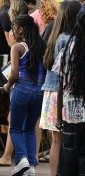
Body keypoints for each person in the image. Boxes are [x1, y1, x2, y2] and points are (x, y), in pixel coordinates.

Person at [40, 1, 81, 175]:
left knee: (56, 141)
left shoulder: (56, 35)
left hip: (52, 92)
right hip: (62, 94)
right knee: (64, 141)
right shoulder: (69, 39)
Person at [4, 14, 46, 175]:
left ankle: (22, 159)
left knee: (15, 128)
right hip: (39, 90)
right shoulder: (42, 45)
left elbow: (14, 73)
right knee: (29, 129)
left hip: (22, 88)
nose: (13, 32)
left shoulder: (17, 47)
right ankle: (31, 167)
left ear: (21, 29)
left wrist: (8, 86)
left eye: (14, 29)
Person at [53, 7, 85, 176]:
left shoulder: (67, 48)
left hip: (70, 117)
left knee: (67, 163)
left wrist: (58, 116)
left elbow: (60, 85)